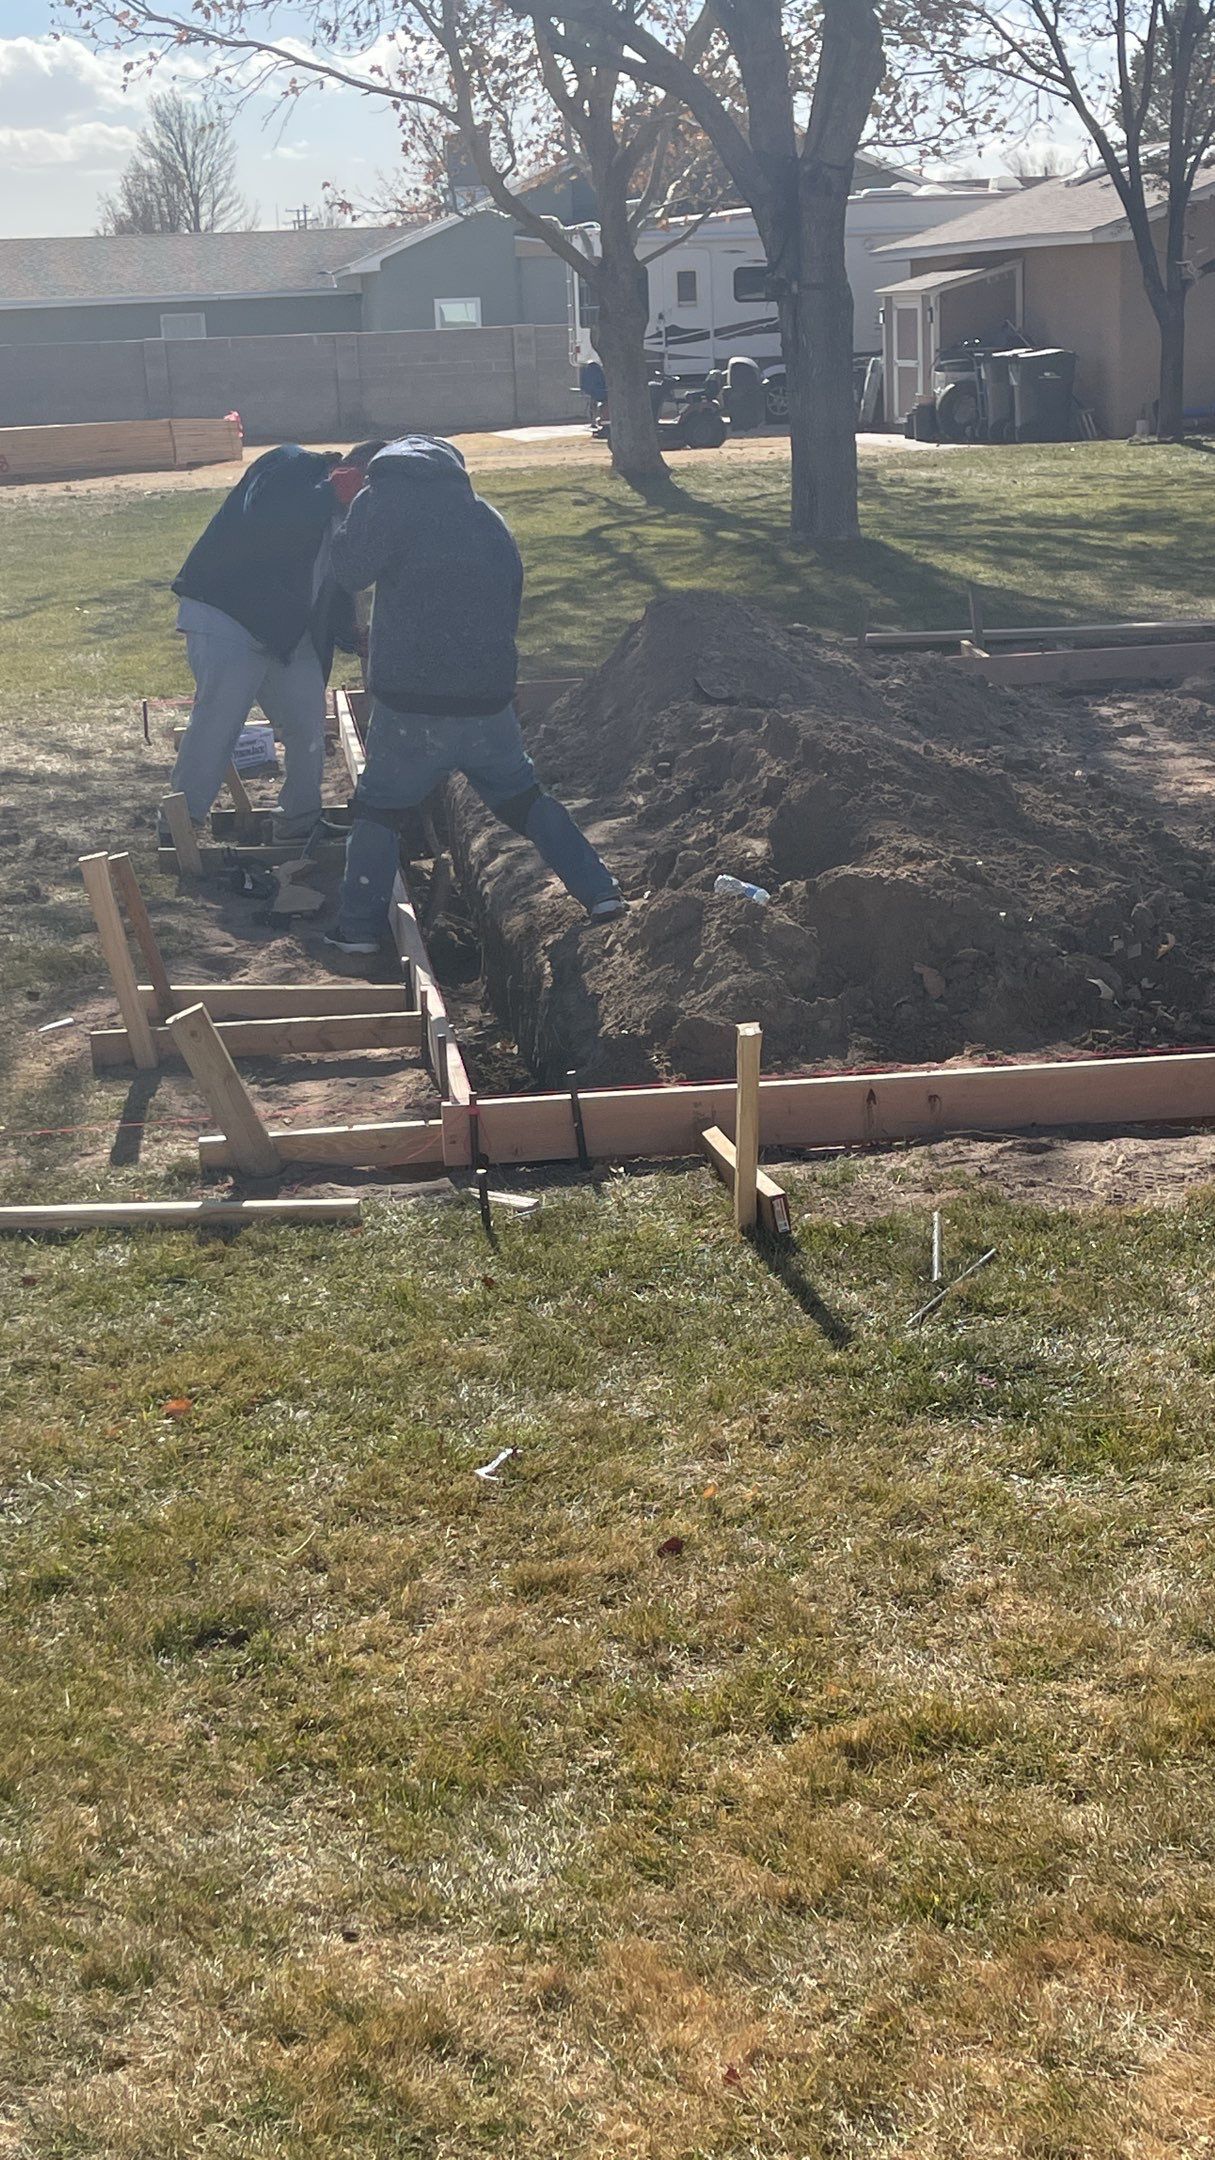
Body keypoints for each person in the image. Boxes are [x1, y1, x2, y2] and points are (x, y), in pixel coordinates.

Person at [323, 435, 623, 958]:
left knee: (379, 810)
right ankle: (600, 893)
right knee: (525, 798)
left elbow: (349, 571)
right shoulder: (485, 517)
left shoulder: (382, 502)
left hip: (411, 702)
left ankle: (358, 930)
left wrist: (349, 521)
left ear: (383, 470)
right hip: (486, 699)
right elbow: (511, 598)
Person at [167, 441, 382, 842]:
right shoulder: (290, 464)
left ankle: (299, 822)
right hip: (227, 612)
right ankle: (181, 825)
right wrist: (329, 494)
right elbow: (267, 524)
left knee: (307, 721)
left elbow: (325, 587)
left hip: (285, 631)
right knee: (219, 720)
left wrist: (349, 635)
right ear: (356, 471)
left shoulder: (345, 516)